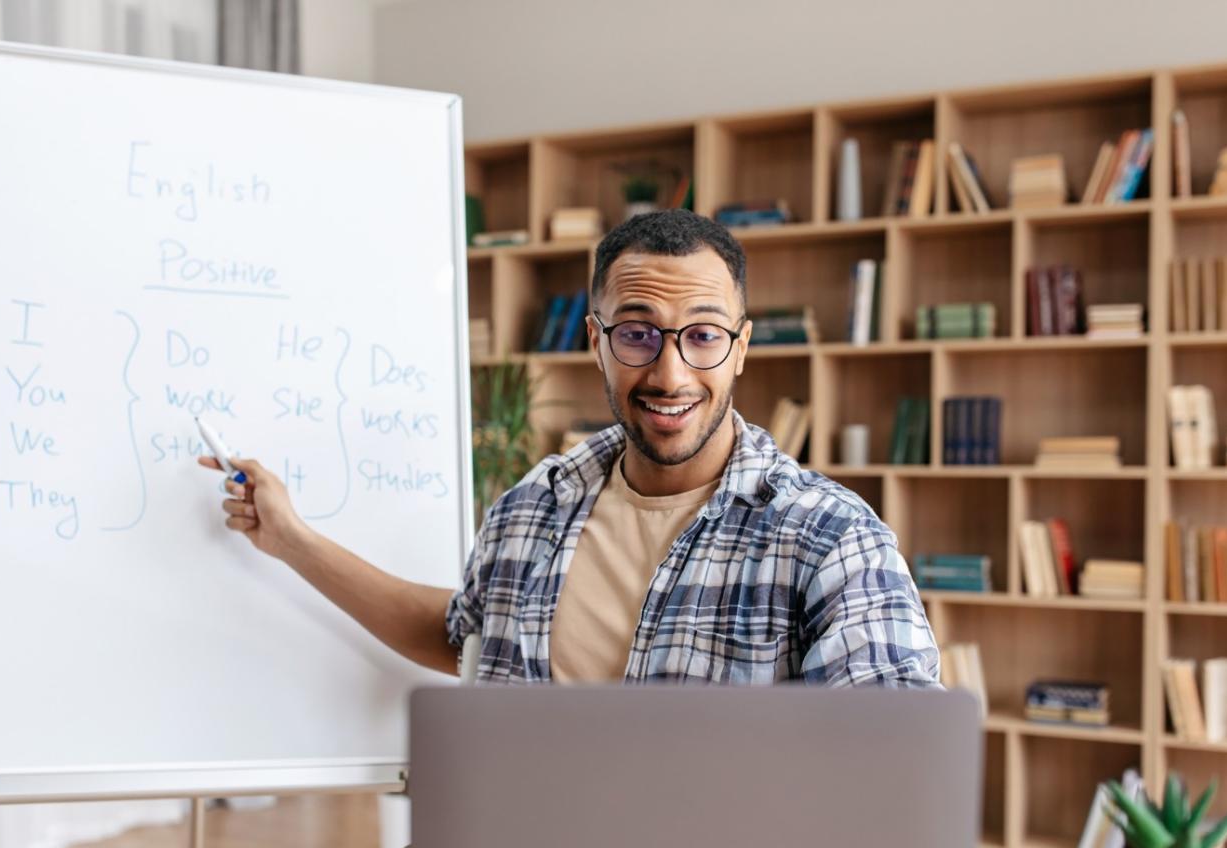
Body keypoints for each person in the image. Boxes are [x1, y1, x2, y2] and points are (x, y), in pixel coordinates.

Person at [202, 209, 938, 686]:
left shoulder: (830, 538)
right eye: (637, 334)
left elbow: (893, 753)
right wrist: (291, 538)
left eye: (703, 336)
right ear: (596, 341)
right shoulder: (533, 506)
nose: (670, 373)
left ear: (741, 348)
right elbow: (458, 635)